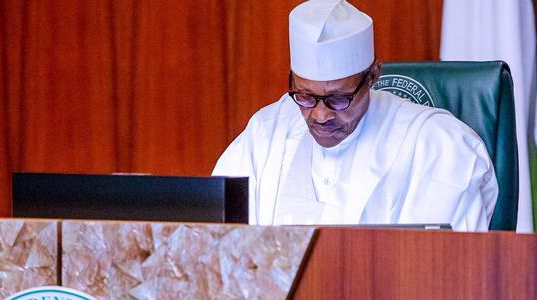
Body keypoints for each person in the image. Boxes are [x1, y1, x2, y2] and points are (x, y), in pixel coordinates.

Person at [213, 0, 498, 231]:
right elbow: (214, 239)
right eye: (305, 96)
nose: (321, 115)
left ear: (373, 75)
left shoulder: (440, 147)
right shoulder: (266, 132)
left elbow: (445, 273)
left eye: (338, 99)